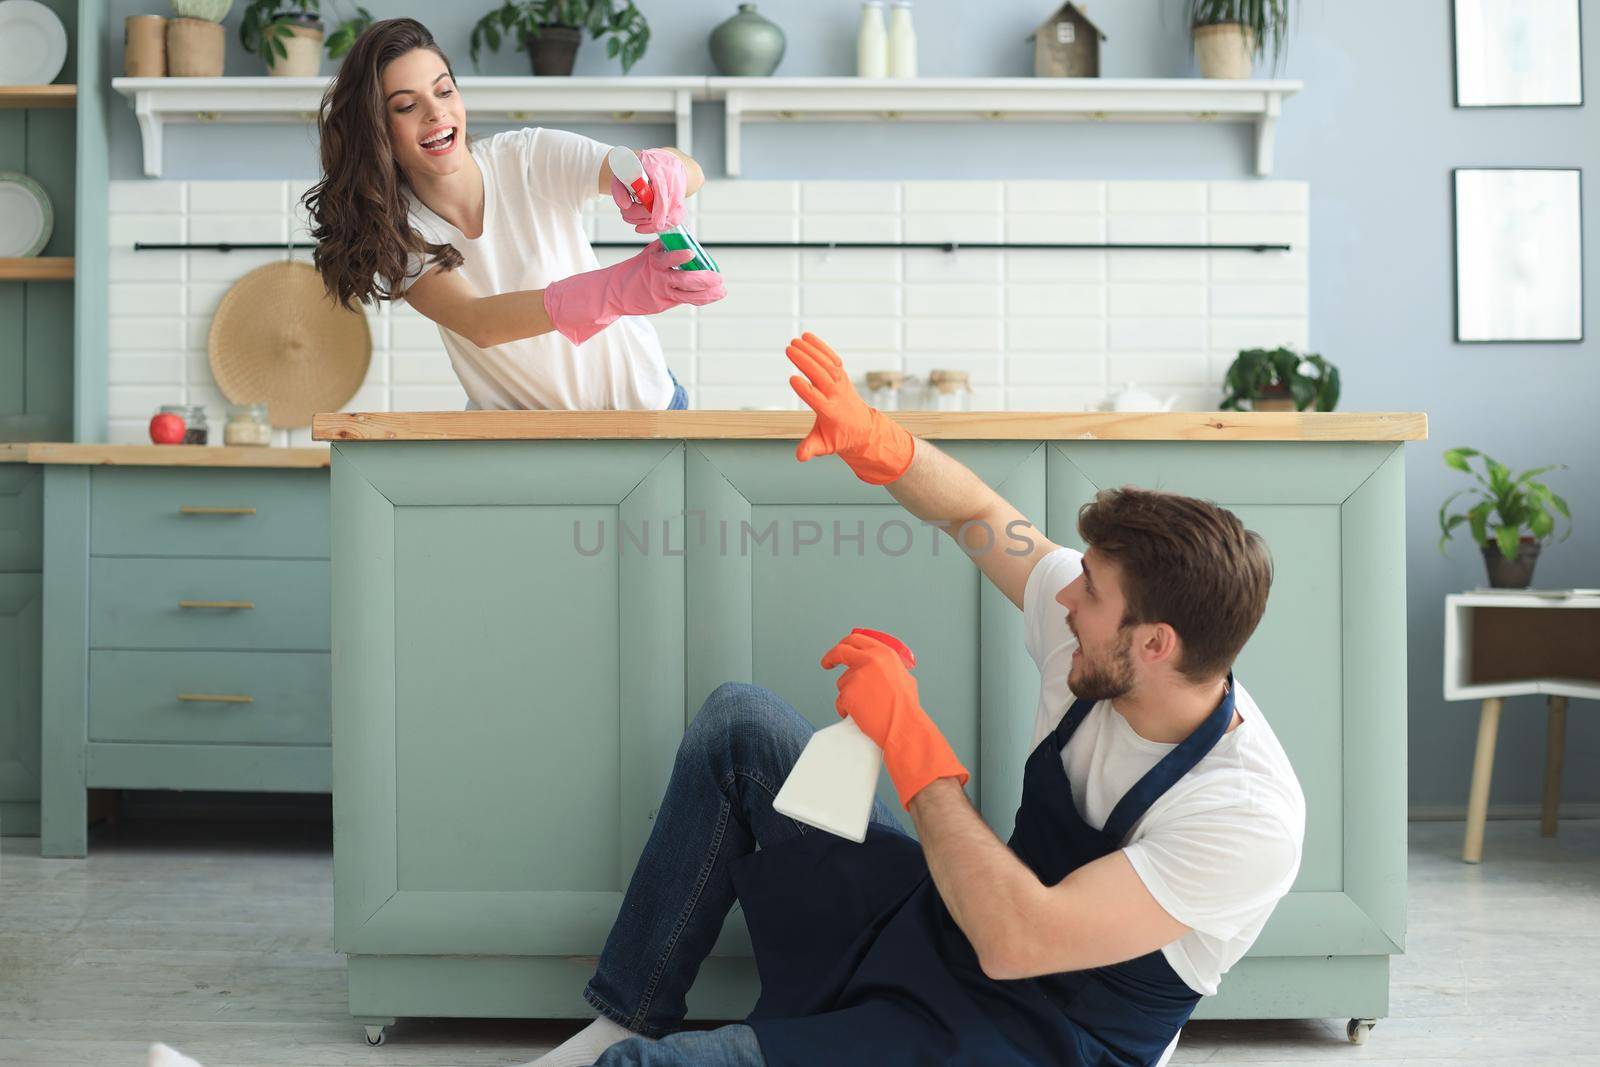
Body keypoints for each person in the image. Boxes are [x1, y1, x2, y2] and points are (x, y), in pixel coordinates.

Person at [531, 333, 1305, 1067]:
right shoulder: (1101, 642)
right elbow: (980, 517)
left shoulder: (1244, 814)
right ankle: (624, 1015)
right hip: (945, 927)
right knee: (741, 729)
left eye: (1091, 590)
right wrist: (881, 442)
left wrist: (908, 733)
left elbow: (1014, 939)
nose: (1064, 590)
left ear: (1155, 643)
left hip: (1035, 1037)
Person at [303, 18, 724, 412]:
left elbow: (686, 172)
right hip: (524, 445)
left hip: (649, 409)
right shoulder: (398, 231)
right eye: (406, 106)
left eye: (444, 91)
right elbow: (480, 321)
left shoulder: (526, 158)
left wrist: (659, 171)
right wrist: (617, 288)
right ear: (377, 128)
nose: (436, 113)